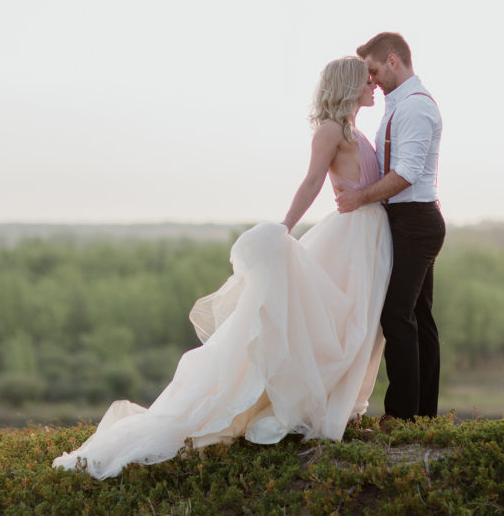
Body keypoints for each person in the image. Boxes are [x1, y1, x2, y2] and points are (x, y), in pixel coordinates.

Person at [53, 56, 392, 479]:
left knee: (361, 326)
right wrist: (284, 229)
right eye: (366, 80)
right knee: (344, 324)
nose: (374, 85)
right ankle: (317, 408)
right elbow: (311, 182)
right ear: (348, 85)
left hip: (368, 237)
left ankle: (343, 405)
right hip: (350, 238)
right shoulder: (329, 131)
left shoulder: (354, 130)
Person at [336, 32, 444, 421]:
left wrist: (359, 198)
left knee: (397, 314)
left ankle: (401, 416)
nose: (372, 80)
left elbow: (406, 174)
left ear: (393, 61)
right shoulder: (399, 105)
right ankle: (423, 416)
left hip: (415, 220)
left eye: (375, 70)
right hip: (409, 219)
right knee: (418, 316)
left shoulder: (414, 108)